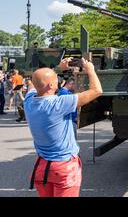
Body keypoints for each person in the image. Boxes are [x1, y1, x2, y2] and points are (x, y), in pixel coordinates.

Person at [24, 58, 103, 197]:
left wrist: (57, 69)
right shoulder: (59, 103)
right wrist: (90, 69)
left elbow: (33, 84)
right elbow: (97, 90)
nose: (59, 82)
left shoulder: (29, 101)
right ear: (50, 86)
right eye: (56, 80)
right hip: (64, 166)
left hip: (41, 165)